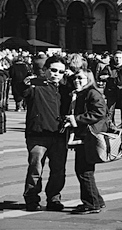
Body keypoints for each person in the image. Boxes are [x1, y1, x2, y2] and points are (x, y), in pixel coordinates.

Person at [23, 55, 70, 211]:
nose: (57, 74)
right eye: (53, 70)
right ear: (45, 70)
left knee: (58, 170)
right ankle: (32, 198)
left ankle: (54, 198)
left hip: (59, 135)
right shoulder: (36, 85)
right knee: (35, 168)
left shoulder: (66, 88)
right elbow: (21, 90)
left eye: (61, 71)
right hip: (38, 134)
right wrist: (27, 82)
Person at [65, 66, 107, 214]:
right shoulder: (82, 93)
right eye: (75, 78)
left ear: (88, 80)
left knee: (84, 171)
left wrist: (76, 119)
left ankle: (92, 203)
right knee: (84, 170)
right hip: (83, 136)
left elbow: (99, 112)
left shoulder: (92, 93)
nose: (77, 81)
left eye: (80, 78)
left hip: (89, 137)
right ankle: (96, 200)